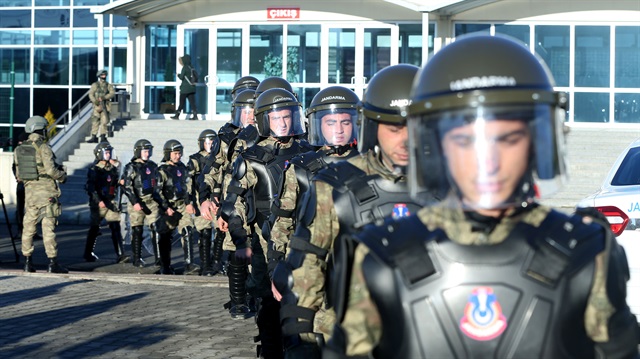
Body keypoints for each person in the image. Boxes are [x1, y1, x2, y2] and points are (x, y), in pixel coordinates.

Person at [325, 35, 640, 358]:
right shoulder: (382, 256)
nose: (489, 159)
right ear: (435, 145)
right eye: (465, 141)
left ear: (536, 144)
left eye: (508, 139)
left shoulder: (584, 252)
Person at [273, 64, 437, 358]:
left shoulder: (451, 186)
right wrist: (302, 344)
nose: (405, 139)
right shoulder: (335, 186)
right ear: (373, 126)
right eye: (394, 128)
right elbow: (307, 272)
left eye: (414, 126)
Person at [219, 87, 312, 358]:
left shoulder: (308, 150)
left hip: (303, 234)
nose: (283, 123)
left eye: (287, 117)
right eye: (276, 118)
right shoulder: (250, 158)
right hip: (264, 239)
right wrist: (239, 238)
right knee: (269, 301)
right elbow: (232, 202)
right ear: (264, 121)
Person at [268, 86, 360, 287]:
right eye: (330, 123)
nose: (338, 129)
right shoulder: (300, 167)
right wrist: (277, 268)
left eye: (345, 122)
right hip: (310, 266)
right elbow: (283, 222)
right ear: (318, 125)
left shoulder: (369, 165)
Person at [13, 115, 68, 273]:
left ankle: (27, 262)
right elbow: (51, 170)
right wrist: (63, 176)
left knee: (28, 227)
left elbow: (19, 174)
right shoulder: (43, 147)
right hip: (47, 194)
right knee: (48, 227)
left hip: (30, 194)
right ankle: (52, 263)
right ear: (40, 129)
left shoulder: (19, 149)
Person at [155, 139, 199, 275]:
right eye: (174, 153)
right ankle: (165, 265)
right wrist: (165, 207)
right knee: (165, 236)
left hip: (182, 205)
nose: (177, 156)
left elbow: (188, 188)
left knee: (187, 230)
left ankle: (189, 264)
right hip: (168, 207)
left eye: (179, 153)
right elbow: (157, 191)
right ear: (168, 154)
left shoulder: (183, 168)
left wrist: (189, 203)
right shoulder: (161, 171)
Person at [84, 141, 130, 264]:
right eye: (106, 152)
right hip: (98, 204)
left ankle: (121, 254)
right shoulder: (95, 169)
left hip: (110, 202)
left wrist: (119, 183)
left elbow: (112, 182)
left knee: (115, 226)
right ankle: (88, 253)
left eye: (110, 152)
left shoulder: (112, 169)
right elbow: (91, 188)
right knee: (94, 228)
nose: (109, 155)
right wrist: (98, 201)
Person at [122, 139, 161, 269]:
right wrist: (134, 202)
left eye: (149, 150)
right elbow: (127, 186)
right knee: (137, 230)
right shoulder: (131, 167)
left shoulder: (153, 166)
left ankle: (159, 258)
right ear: (138, 152)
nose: (147, 153)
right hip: (137, 202)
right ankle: (137, 258)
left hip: (151, 201)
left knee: (156, 228)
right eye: (144, 151)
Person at [187, 129, 221, 276]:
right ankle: (205, 265)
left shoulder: (219, 158)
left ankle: (217, 261)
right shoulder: (195, 159)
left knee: (221, 230)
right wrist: (189, 201)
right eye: (207, 142)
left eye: (213, 142)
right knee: (205, 233)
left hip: (218, 199)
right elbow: (188, 182)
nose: (210, 145)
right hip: (201, 200)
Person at [88, 69, 116, 143]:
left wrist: (104, 97)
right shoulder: (95, 85)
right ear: (99, 76)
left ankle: (103, 136)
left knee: (104, 121)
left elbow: (112, 93)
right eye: (102, 75)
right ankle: (94, 136)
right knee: (95, 121)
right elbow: (91, 94)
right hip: (97, 106)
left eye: (105, 75)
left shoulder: (108, 85)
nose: (104, 76)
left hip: (105, 106)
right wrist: (95, 101)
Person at [171, 55, 198, 120]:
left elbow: (181, 77)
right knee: (192, 103)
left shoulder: (185, 68)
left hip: (185, 89)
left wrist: (178, 75)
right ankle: (195, 115)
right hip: (192, 88)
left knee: (181, 102)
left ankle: (177, 115)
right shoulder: (192, 67)